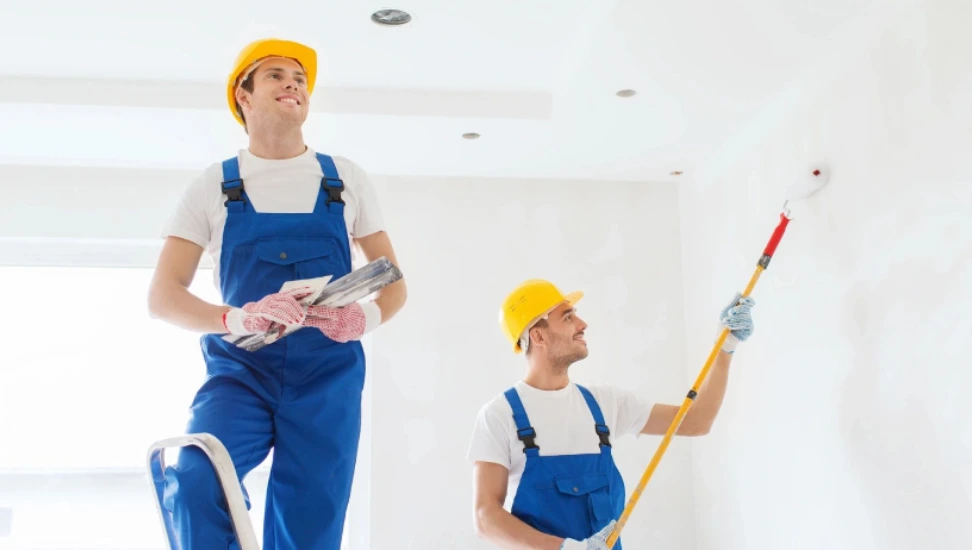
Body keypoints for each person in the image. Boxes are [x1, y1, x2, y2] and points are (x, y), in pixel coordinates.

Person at [147, 38, 407, 549]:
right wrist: (237, 319)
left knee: (310, 520)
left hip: (328, 373)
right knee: (199, 479)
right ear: (242, 96)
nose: (294, 84)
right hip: (240, 371)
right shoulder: (214, 186)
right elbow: (162, 297)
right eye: (276, 75)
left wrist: (365, 320)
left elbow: (393, 283)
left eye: (300, 79)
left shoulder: (344, 179)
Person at [468, 279, 755, 549]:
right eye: (567, 317)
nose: (582, 324)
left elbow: (696, 421)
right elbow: (485, 517)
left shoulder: (603, 403)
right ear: (538, 335)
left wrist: (725, 347)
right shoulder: (500, 415)